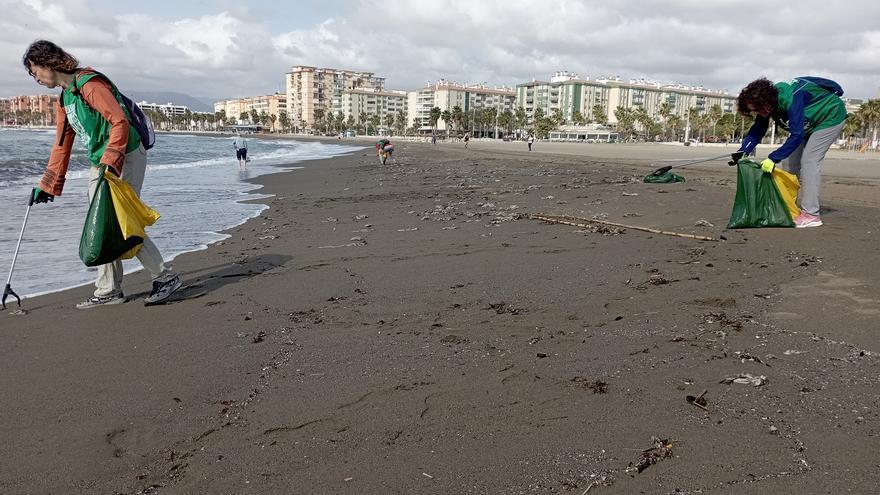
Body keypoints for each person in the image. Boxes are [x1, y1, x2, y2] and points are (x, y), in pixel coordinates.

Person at [23, 40, 181, 308]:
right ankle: (108, 290)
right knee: (102, 221)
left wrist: (111, 160)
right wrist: (47, 185)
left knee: (121, 220)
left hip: (126, 156)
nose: (35, 77)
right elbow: (61, 144)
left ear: (48, 62)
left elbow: (119, 120)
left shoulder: (88, 84)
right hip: (103, 162)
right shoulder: (65, 98)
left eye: (34, 70)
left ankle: (164, 277)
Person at [733, 77, 847, 228]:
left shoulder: (792, 98)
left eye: (757, 109)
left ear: (765, 101)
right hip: (807, 123)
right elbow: (758, 130)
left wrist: (773, 158)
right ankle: (789, 207)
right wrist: (744, 150)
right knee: (789, 163)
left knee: (809, 161)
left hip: (830, 117)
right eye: (753, 111)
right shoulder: (765, 105)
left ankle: (811, 214)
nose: (756, 113)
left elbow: (796, 136)